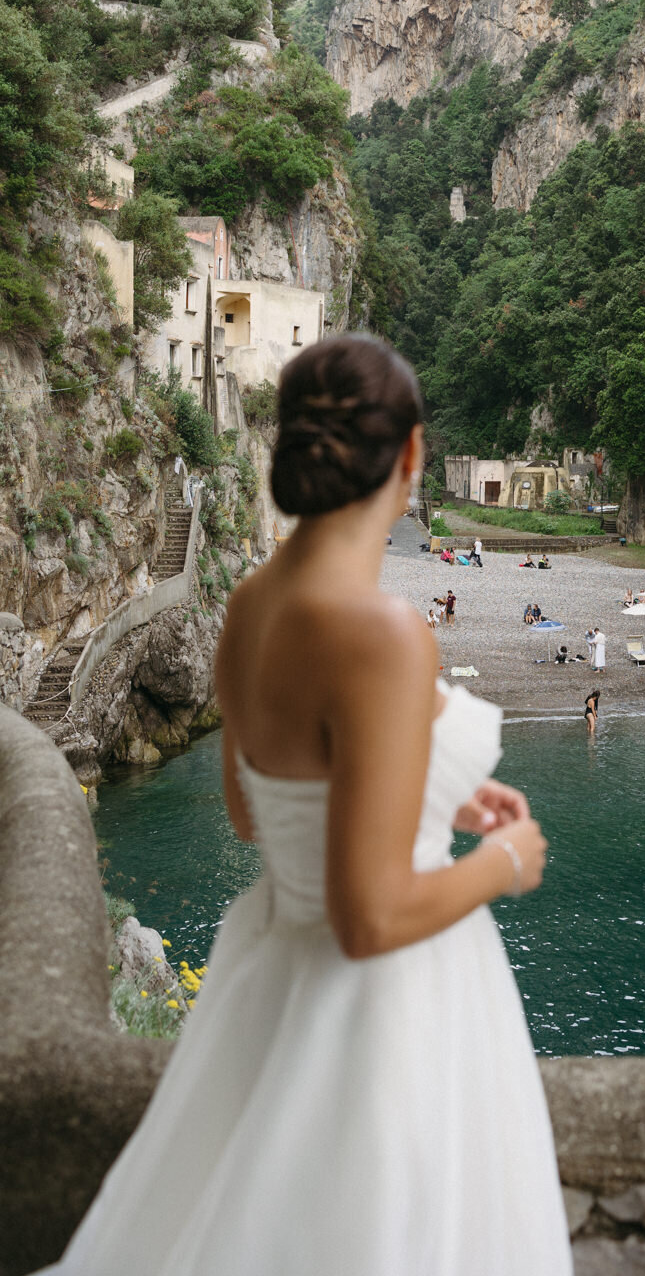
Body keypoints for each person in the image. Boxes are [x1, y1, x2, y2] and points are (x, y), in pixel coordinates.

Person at [37, 333, 571, 1276]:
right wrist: (502, 864)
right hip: (382, 1002)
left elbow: (257, 810)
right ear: (409, 457)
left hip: (269, 967)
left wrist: (431, 795)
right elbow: (366, 919)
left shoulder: (251, 603)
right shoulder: (384, 635)